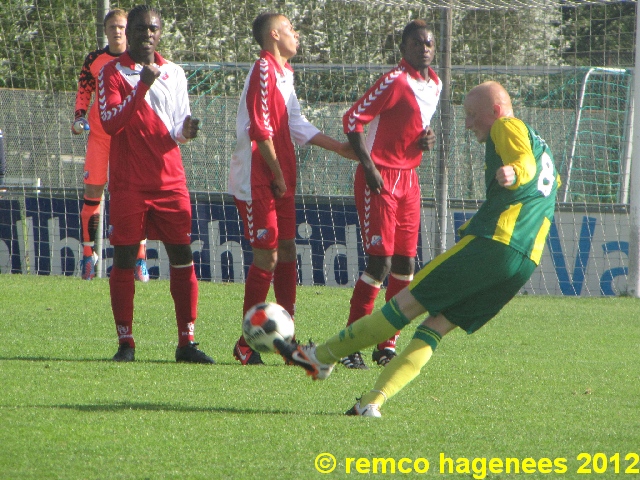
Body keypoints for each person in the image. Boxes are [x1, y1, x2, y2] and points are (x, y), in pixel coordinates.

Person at [276, 81, 560, 417]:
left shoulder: (507, 125)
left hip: (493, 245)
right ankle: (371, 402)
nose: (468, 124)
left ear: (495, 110)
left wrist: (513, 171)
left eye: (471, 115)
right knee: (436, 327)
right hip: (523, 263)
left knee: (402, 306)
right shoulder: (546, 152)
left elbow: (521, 162)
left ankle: (320, 357)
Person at [229, 12, 355, 365]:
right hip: (258, 175)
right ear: (273, 35)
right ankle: (245, 344)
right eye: (289, 29)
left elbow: (295, 123)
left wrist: (340, 148)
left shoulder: (285, 73)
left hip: (280, 173)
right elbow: (260, 129)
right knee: (266, 255)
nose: (296, 35)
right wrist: (277, 174)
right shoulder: (264, 69)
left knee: (286, 251)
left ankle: (288, 342)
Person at [99, 5, 214, 364]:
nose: (146, 34)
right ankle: (126, 343)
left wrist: (187, 131)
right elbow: (110, 123)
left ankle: (187, 343)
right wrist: (142, 87)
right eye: (140, 28)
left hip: (170, 180)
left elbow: (177, 127)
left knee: (181, 254)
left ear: (159, 33)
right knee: (124, 256)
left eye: (153, 29)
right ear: (128, 32)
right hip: (129, 182)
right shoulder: (112, 73)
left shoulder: (174, 73)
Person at [339, 19, 441, 370]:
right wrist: (368, 167)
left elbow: (415, 128)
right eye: (416, 43)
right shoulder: (394, 81)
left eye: (428, 43)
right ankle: (350, 342)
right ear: (403, 48)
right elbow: (352, 119)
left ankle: (387, 344)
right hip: (380, 177)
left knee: (405, 265)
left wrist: (424, 141)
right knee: (379, 262)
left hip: (409, 179)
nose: (423, 48)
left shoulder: (435, 84)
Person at [72, 9, 149, 282]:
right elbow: (84, 91)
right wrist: (79, 117)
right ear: (106, 31)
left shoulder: (140, 59)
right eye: (113, 27)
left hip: (129, 139)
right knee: (92, 196)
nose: (117, 31)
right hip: (100, 137)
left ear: (128, 31)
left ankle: (140, 259)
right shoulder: (94, 59)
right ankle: (88, 256)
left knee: (133, 197)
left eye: (121, 27)